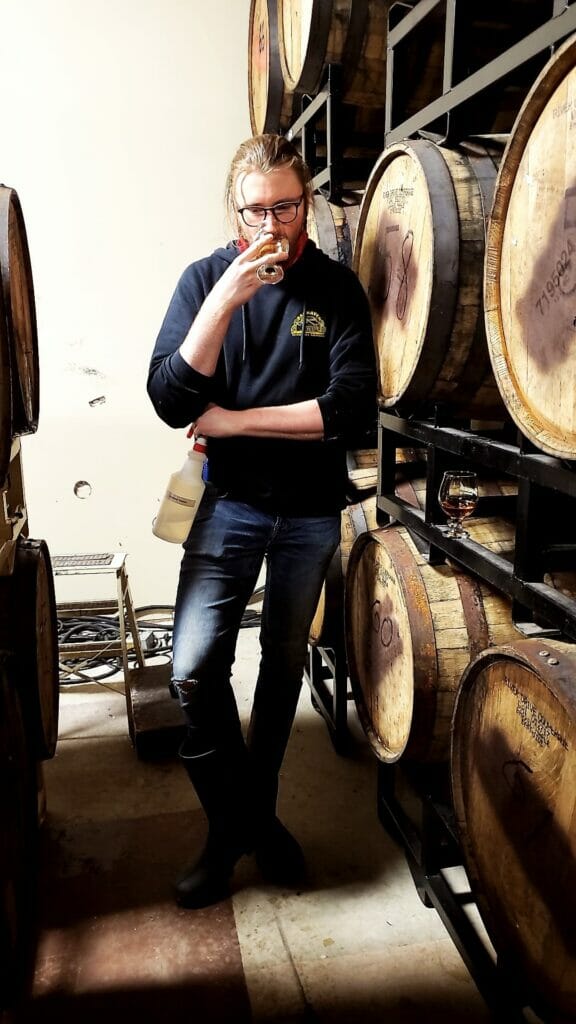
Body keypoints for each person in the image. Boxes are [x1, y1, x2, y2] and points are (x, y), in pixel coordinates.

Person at [147, 133, 376, 909]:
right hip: (230, 506)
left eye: (284, 206)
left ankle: (256, 818)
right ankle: (235, 824)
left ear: (305, 202)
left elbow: (348, 410)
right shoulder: (204, 280)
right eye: (255, 210)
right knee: (192, 668)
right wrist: (224, 302)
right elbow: (172, 399)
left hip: (310, 513)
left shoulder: (337, 288)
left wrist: (234, 421)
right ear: (234, 209)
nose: (270, 224)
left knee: (283, 668)